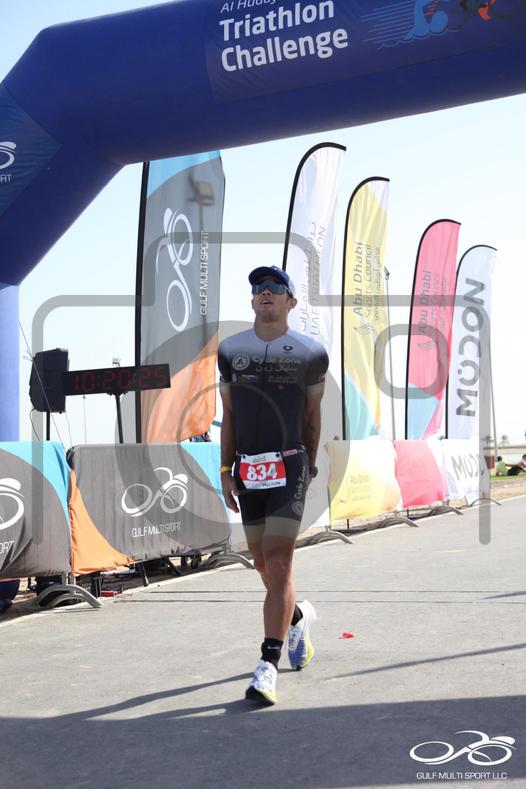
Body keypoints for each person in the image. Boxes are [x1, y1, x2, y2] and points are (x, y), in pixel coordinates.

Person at [218, 266, 328, 705]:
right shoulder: (230, 350)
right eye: (258, 288)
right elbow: (229, 414)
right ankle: (296, 617)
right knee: (263, 564)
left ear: (290, 301)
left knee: (280, 561)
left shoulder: (311, 352)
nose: (265, 292)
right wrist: (225, 469)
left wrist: (309, 465)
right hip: (248, 468)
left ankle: (267, 666)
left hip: (289, 463)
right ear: (252, 300)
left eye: (275, 287)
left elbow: (312, 415)